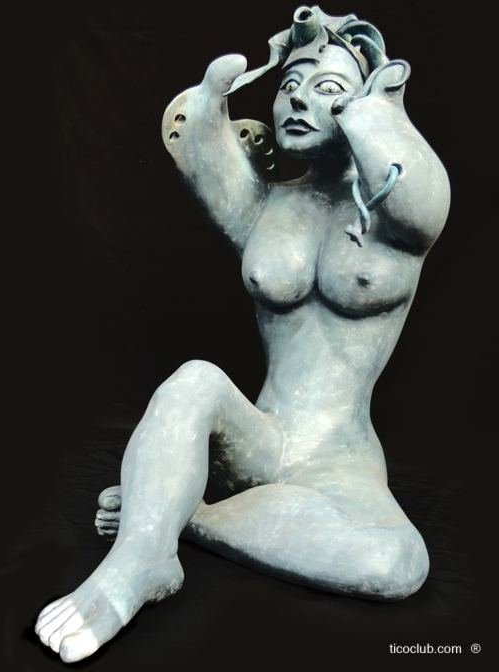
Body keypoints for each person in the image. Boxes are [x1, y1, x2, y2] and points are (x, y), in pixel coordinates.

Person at [35, 6, 450, 663]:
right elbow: (197, 142)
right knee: (195, 380)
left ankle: (183, 516)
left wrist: (365, 102)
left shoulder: (400, 222)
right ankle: (138, 563)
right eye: (289, 86)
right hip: (259, 439)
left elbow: (419, 189)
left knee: (396, 563)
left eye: (326, 89)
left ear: (369, 101)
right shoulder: (265, 204)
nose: (298, 100)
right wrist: (216, 90)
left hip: (340, 461)